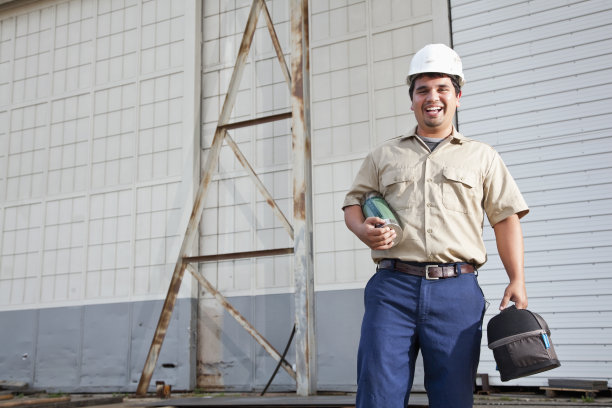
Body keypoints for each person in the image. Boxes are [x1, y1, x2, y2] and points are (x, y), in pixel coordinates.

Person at [342, 44, 529, 408]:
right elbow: (354, 203)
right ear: (411, 100)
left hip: (456, 290)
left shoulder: (483, 156)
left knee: (453, 397)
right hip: (392, 288)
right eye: (422, 90)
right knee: (378, 393)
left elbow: (505, 218)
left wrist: (517, 279)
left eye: (442, 88)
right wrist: (363, 230)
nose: (433, 98)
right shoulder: (384, 155)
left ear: (458, 96)